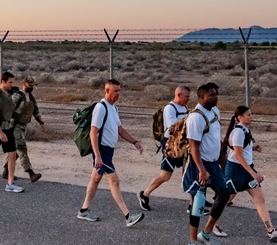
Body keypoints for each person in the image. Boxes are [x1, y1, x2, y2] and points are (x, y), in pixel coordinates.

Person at [76, 79, 145, 227]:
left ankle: (83, 210)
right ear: (107, 91)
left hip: (108, 150)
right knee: (114, 180)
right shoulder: (101, 108)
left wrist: (134, 142)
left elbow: (120, 129)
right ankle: (128, 216)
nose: (118, 94)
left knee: (95, 179)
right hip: (102, 150)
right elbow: (93, 133)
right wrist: (98, 156)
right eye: (116, 91)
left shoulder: (114, 108)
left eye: (120, 91)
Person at [224, 106, 277, 240]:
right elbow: (238, 155)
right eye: (248, 115)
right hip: (236, 170)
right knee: (223, 200)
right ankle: (210, 226)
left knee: (260, 199)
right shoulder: (238, 132)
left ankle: (271, 230)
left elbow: (242, 149)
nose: (251, 117)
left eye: (251, 114)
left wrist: (252, 148)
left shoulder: (245, 130)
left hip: (246, 170)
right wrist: (253, 173)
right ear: (240, 117)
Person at [182, 82, 228, 245]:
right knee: (198, 205)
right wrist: (201, 170)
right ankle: (192, 244)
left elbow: (216, 139)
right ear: (201, 97)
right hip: (198, 165)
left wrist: (221, 162)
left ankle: (206, 233)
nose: (215, 97)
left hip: (213, 164)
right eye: (211, 95)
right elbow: (194, 146)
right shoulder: (196, 117)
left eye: (216, 93)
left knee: (223, 195)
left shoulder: (215, 112)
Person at [137, 85, 191, 211]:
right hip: (171, 145)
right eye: (186, 97)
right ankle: (144, 194)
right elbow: (173, 127)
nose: (188, 99)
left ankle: (193, 203)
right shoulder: (170, 108)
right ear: (179, 95)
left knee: (189, 171)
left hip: (184, 143)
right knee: (166, 175)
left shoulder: (184, 107)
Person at [2, 76, 46, 183]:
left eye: (32, 86)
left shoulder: (31, 98)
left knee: (16, 151)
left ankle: (6, 171)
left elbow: (36, 111)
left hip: (23, 126)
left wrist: (41, 122)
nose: (31, 87)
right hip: (14, 126)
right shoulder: (17, 96)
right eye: (30, 85)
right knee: (21, 148)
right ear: (24, 84)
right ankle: (31, 173)